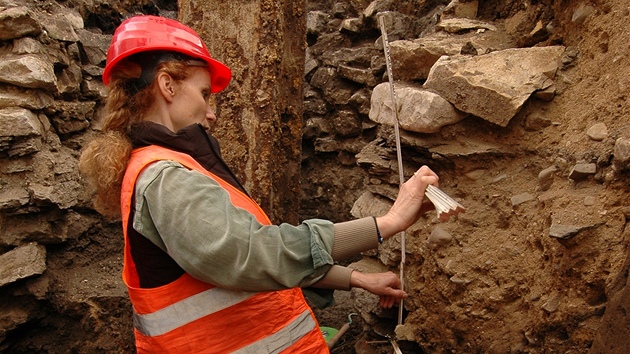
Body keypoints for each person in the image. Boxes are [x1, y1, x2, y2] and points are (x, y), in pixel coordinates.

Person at [78, 15, 439, 353]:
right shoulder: (165, 178)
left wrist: (355, 279)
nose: (211, 112)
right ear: (167, 84)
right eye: (204, 93)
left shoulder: (165, 166)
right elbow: (253, 255)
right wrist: (387, 223)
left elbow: (241, 267)